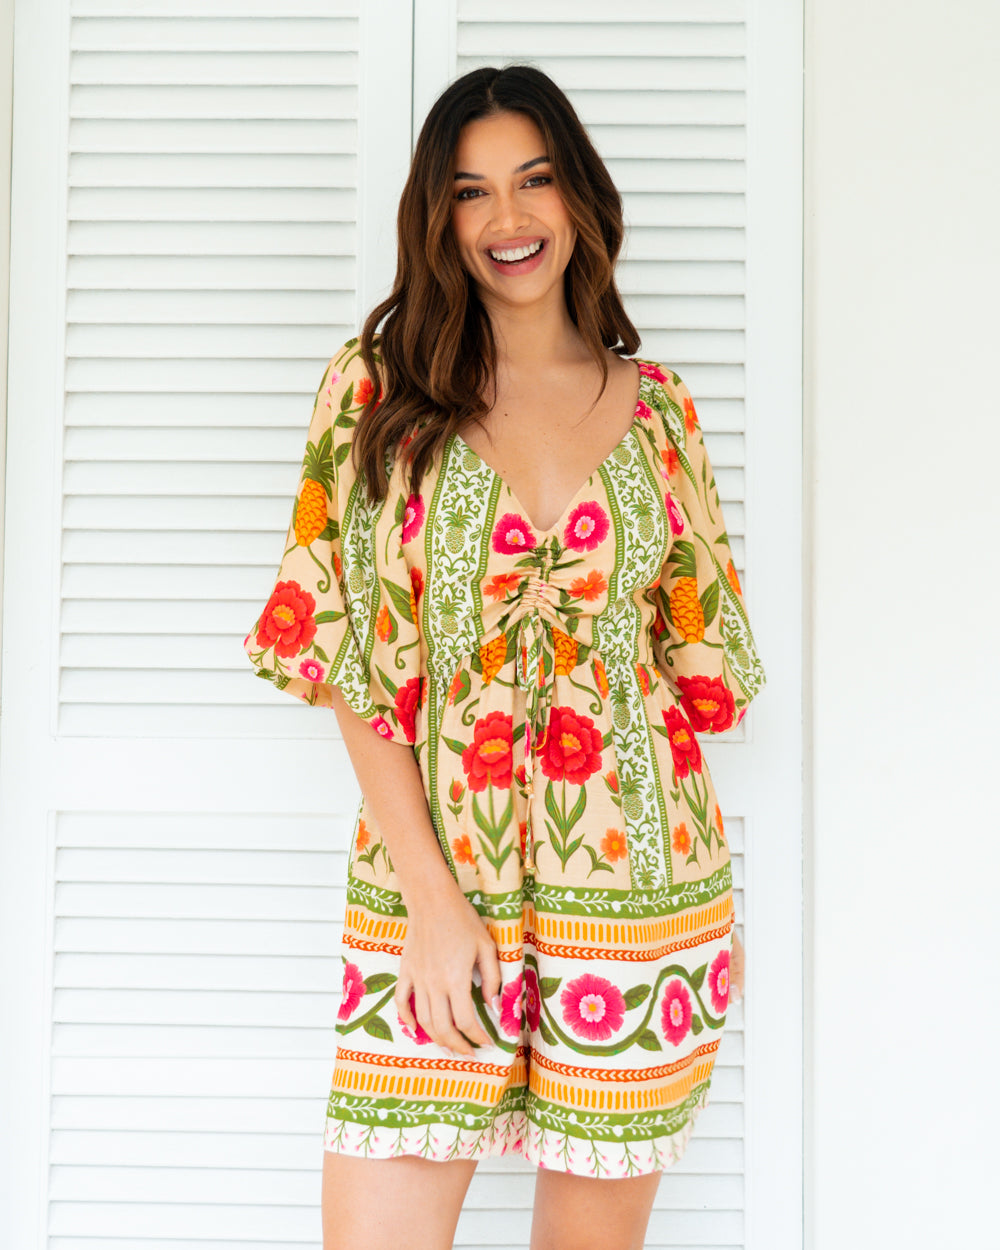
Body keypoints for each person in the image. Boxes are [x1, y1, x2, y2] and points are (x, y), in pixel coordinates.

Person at [244, 63, 766, 1250]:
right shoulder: (376, 393)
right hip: (434, 885)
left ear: (579, 198)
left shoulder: (661, 410)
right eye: (472, 192)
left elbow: (696, 670)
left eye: (533, 181)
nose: (507, 219)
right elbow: (342, 656)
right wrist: (433, 898)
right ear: (440, 219)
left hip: (638, 893)